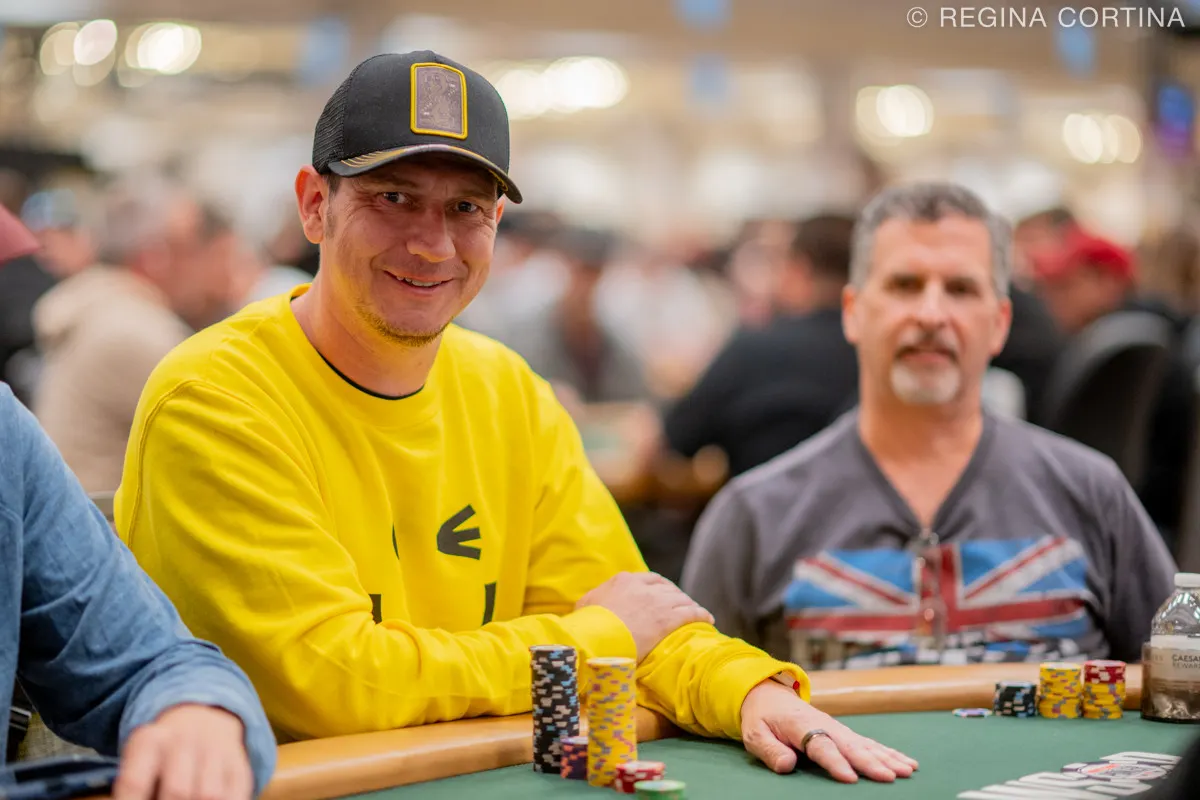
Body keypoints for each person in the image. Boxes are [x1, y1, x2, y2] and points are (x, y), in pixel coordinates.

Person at [114, 50, 917, 785]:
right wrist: (595, 639)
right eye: (395, 198)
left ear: (496, 223)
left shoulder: (507, 392)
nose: (433, 244)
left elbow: (631, 613)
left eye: (466, 207)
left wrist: (746, 689)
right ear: (314, 205)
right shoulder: (216, 400)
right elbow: (336, 683)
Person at [680, 182, 1176, 671]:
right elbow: (693, 702)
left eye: (960, 289)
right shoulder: (753, 519)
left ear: (999, 322)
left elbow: (1181, 685)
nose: (931, 314)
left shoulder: (1092, 495)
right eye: (904, 285)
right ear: (853, 313)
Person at [0, 203, 275, 798]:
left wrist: (197, 704)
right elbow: (259, 449)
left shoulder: (13, 423)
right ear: (160, 257)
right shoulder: (141, 335)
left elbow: (151, 658)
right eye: (218, 256)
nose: (230, 275)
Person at [32, 175, 242, 493]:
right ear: (153, 257)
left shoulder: (104, 309)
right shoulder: (135, 331)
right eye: (187, 249)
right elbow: (229, 444)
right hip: (106, 521)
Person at [663, 214, 859, 477]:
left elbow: (678, 438)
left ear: (799, 269)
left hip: (761, 500)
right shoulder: (873, 353)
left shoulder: (752, 349)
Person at [1032, 230, 1195, 543]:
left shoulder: (1120, 351)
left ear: (1106, 281)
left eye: (1064, 285)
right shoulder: (1152, 336)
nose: (1050, 298)